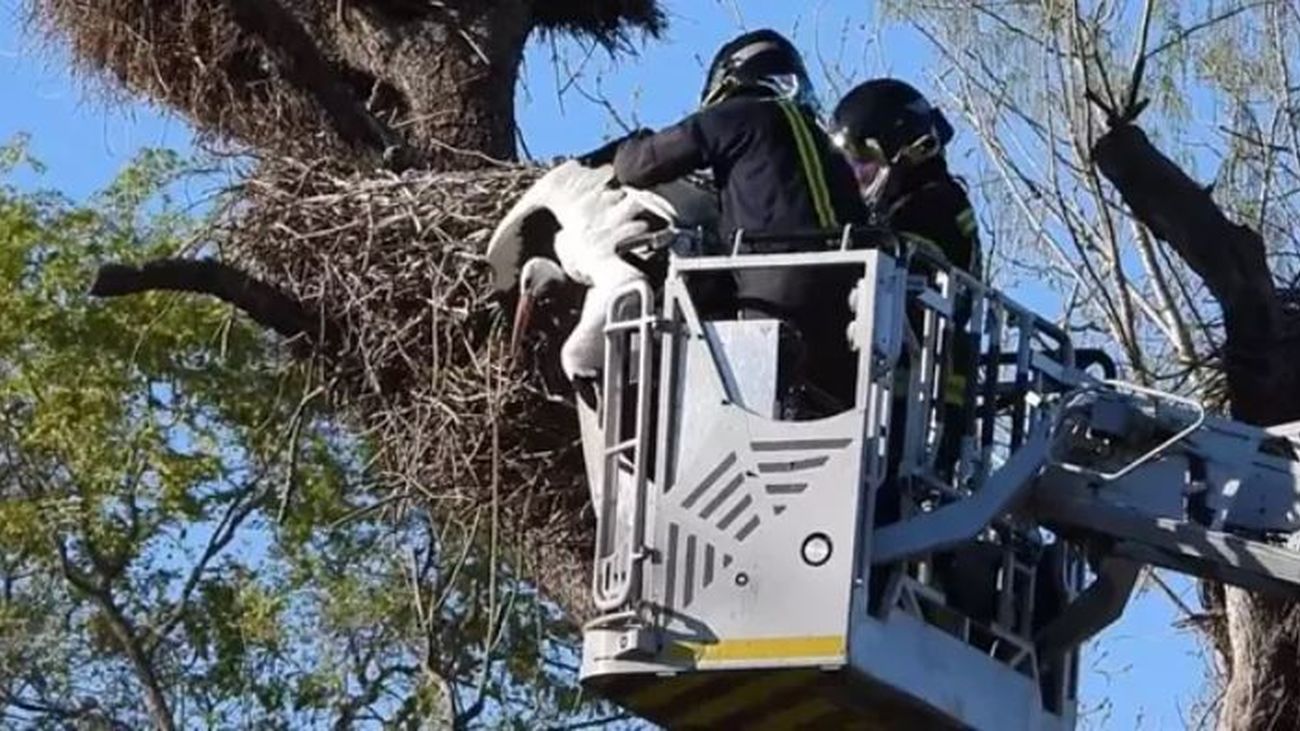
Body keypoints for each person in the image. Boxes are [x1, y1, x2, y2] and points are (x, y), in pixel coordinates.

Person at [613, 29, 870, 415]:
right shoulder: (827, 149)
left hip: (773, 298)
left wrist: (629, 144)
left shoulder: (736, 116)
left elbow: (637, 166)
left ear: (730, 79)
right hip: (848, 309)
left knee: (746, 413)